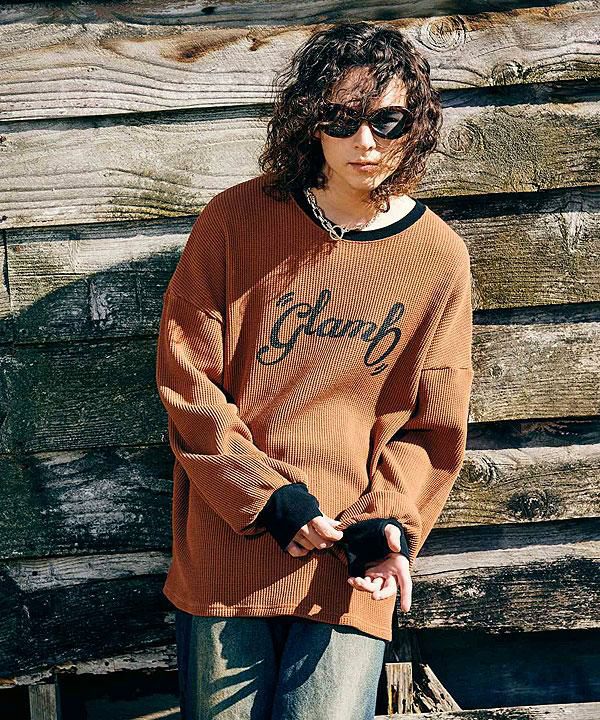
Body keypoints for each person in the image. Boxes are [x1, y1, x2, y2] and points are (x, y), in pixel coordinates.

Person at [155, 19, 474, 720]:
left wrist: (388, 530)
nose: (366, 142)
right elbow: (186, 378)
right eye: (342, 119)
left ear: (415, 124)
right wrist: (270, 500)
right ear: (309, 120)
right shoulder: (235, 220)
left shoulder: (439, 257)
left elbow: (434, 428)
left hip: (350, 563)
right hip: (231, 547)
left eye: (387, 121)